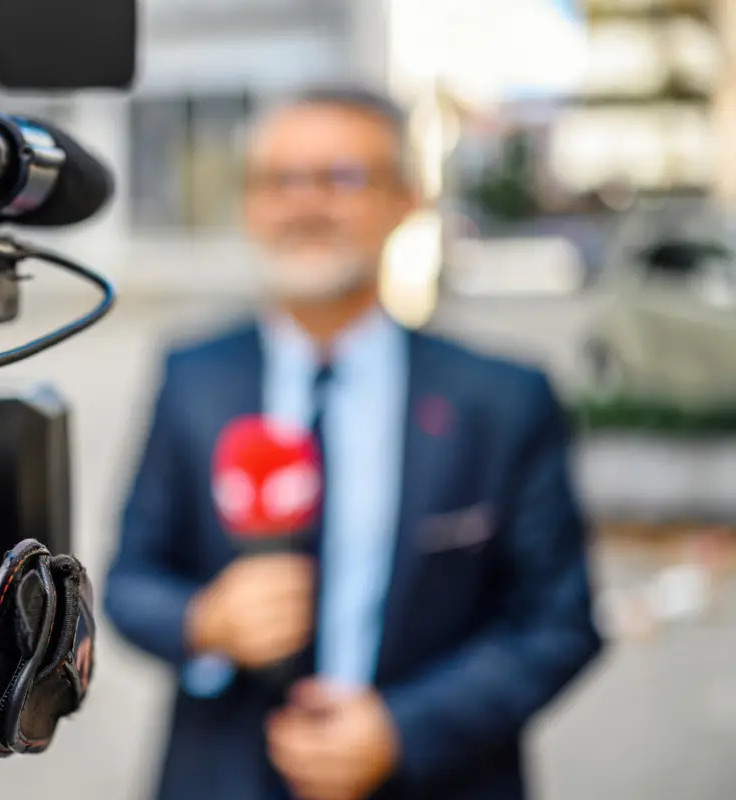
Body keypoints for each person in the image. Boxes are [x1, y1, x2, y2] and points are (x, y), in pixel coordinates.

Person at [104, 86, 603, 800]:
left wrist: (404, 729)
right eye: (279, 180)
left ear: (405, 200)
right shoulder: (192, 378)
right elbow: (129, 581)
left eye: (340, 178)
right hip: (222, 773)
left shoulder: (500, 399)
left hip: (439, 775)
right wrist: (204, 621)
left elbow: (555, 624)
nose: (305, 204)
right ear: (249, 204)